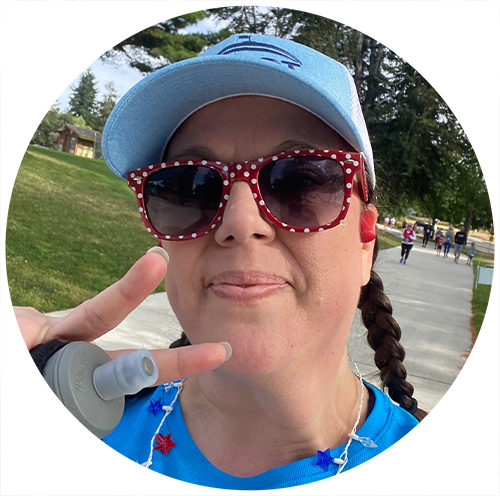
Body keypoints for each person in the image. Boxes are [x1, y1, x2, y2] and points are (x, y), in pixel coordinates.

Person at [14, 34, 424, 490]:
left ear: (365, 242)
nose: (239, 222)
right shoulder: (66, 425)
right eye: (190, 186)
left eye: (300, 181)